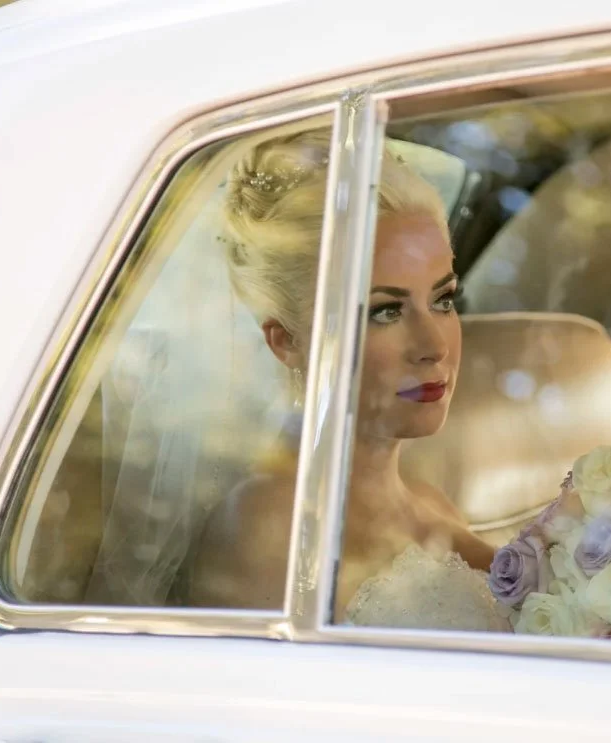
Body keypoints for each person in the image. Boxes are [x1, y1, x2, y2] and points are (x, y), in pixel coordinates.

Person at [188, 128, 507, 631]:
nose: (435, 346)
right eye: (383, 311)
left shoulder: (432, 503)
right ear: (286, 341)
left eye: (443, 299)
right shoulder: (272, 530)